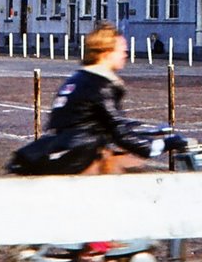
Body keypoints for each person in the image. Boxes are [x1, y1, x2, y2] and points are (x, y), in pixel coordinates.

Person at [44, 21, 188, 175]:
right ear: (106, 53)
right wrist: (164, 144)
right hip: (79, 160)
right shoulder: (100, 86)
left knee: (128, 164)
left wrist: (147, 132)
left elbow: (103, 123)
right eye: (120, 50)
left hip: (64, 152)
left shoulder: (78, 78)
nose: (125, 54)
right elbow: (121, 134)